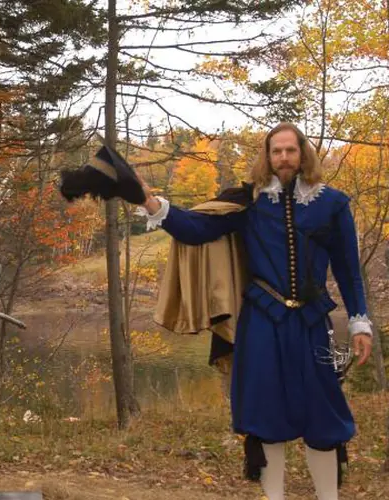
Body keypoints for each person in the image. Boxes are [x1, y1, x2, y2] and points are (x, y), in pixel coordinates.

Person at [139, 123, 373, 500]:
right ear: (267, 156)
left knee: (322, 415)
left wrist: (360, 322)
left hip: (312, 322)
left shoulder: (333, 204)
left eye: (290, 151)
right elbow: (196, 228)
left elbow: (348, 270)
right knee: (266, 417)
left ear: (303, 154)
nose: (283, 158)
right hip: (262, 323)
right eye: (276, 151)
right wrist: (151, 203)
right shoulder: (248, 202)